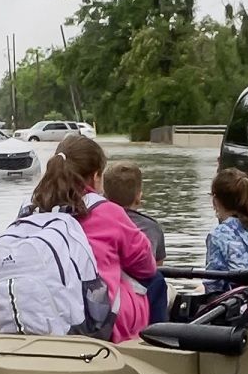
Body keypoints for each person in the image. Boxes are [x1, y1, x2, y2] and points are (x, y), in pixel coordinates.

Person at [30, 134, 165, 341]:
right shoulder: (108, 212)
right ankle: (160, 349)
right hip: (98, 321)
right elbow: (145, 265)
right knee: (156, 280)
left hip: (40, 313)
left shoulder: (32, 209)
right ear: (95, 177)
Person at [102, 161, 166, 264]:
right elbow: (158, 268)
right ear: (139, 197)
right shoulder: (152, 228)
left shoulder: (94, 223)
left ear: (104, 196)